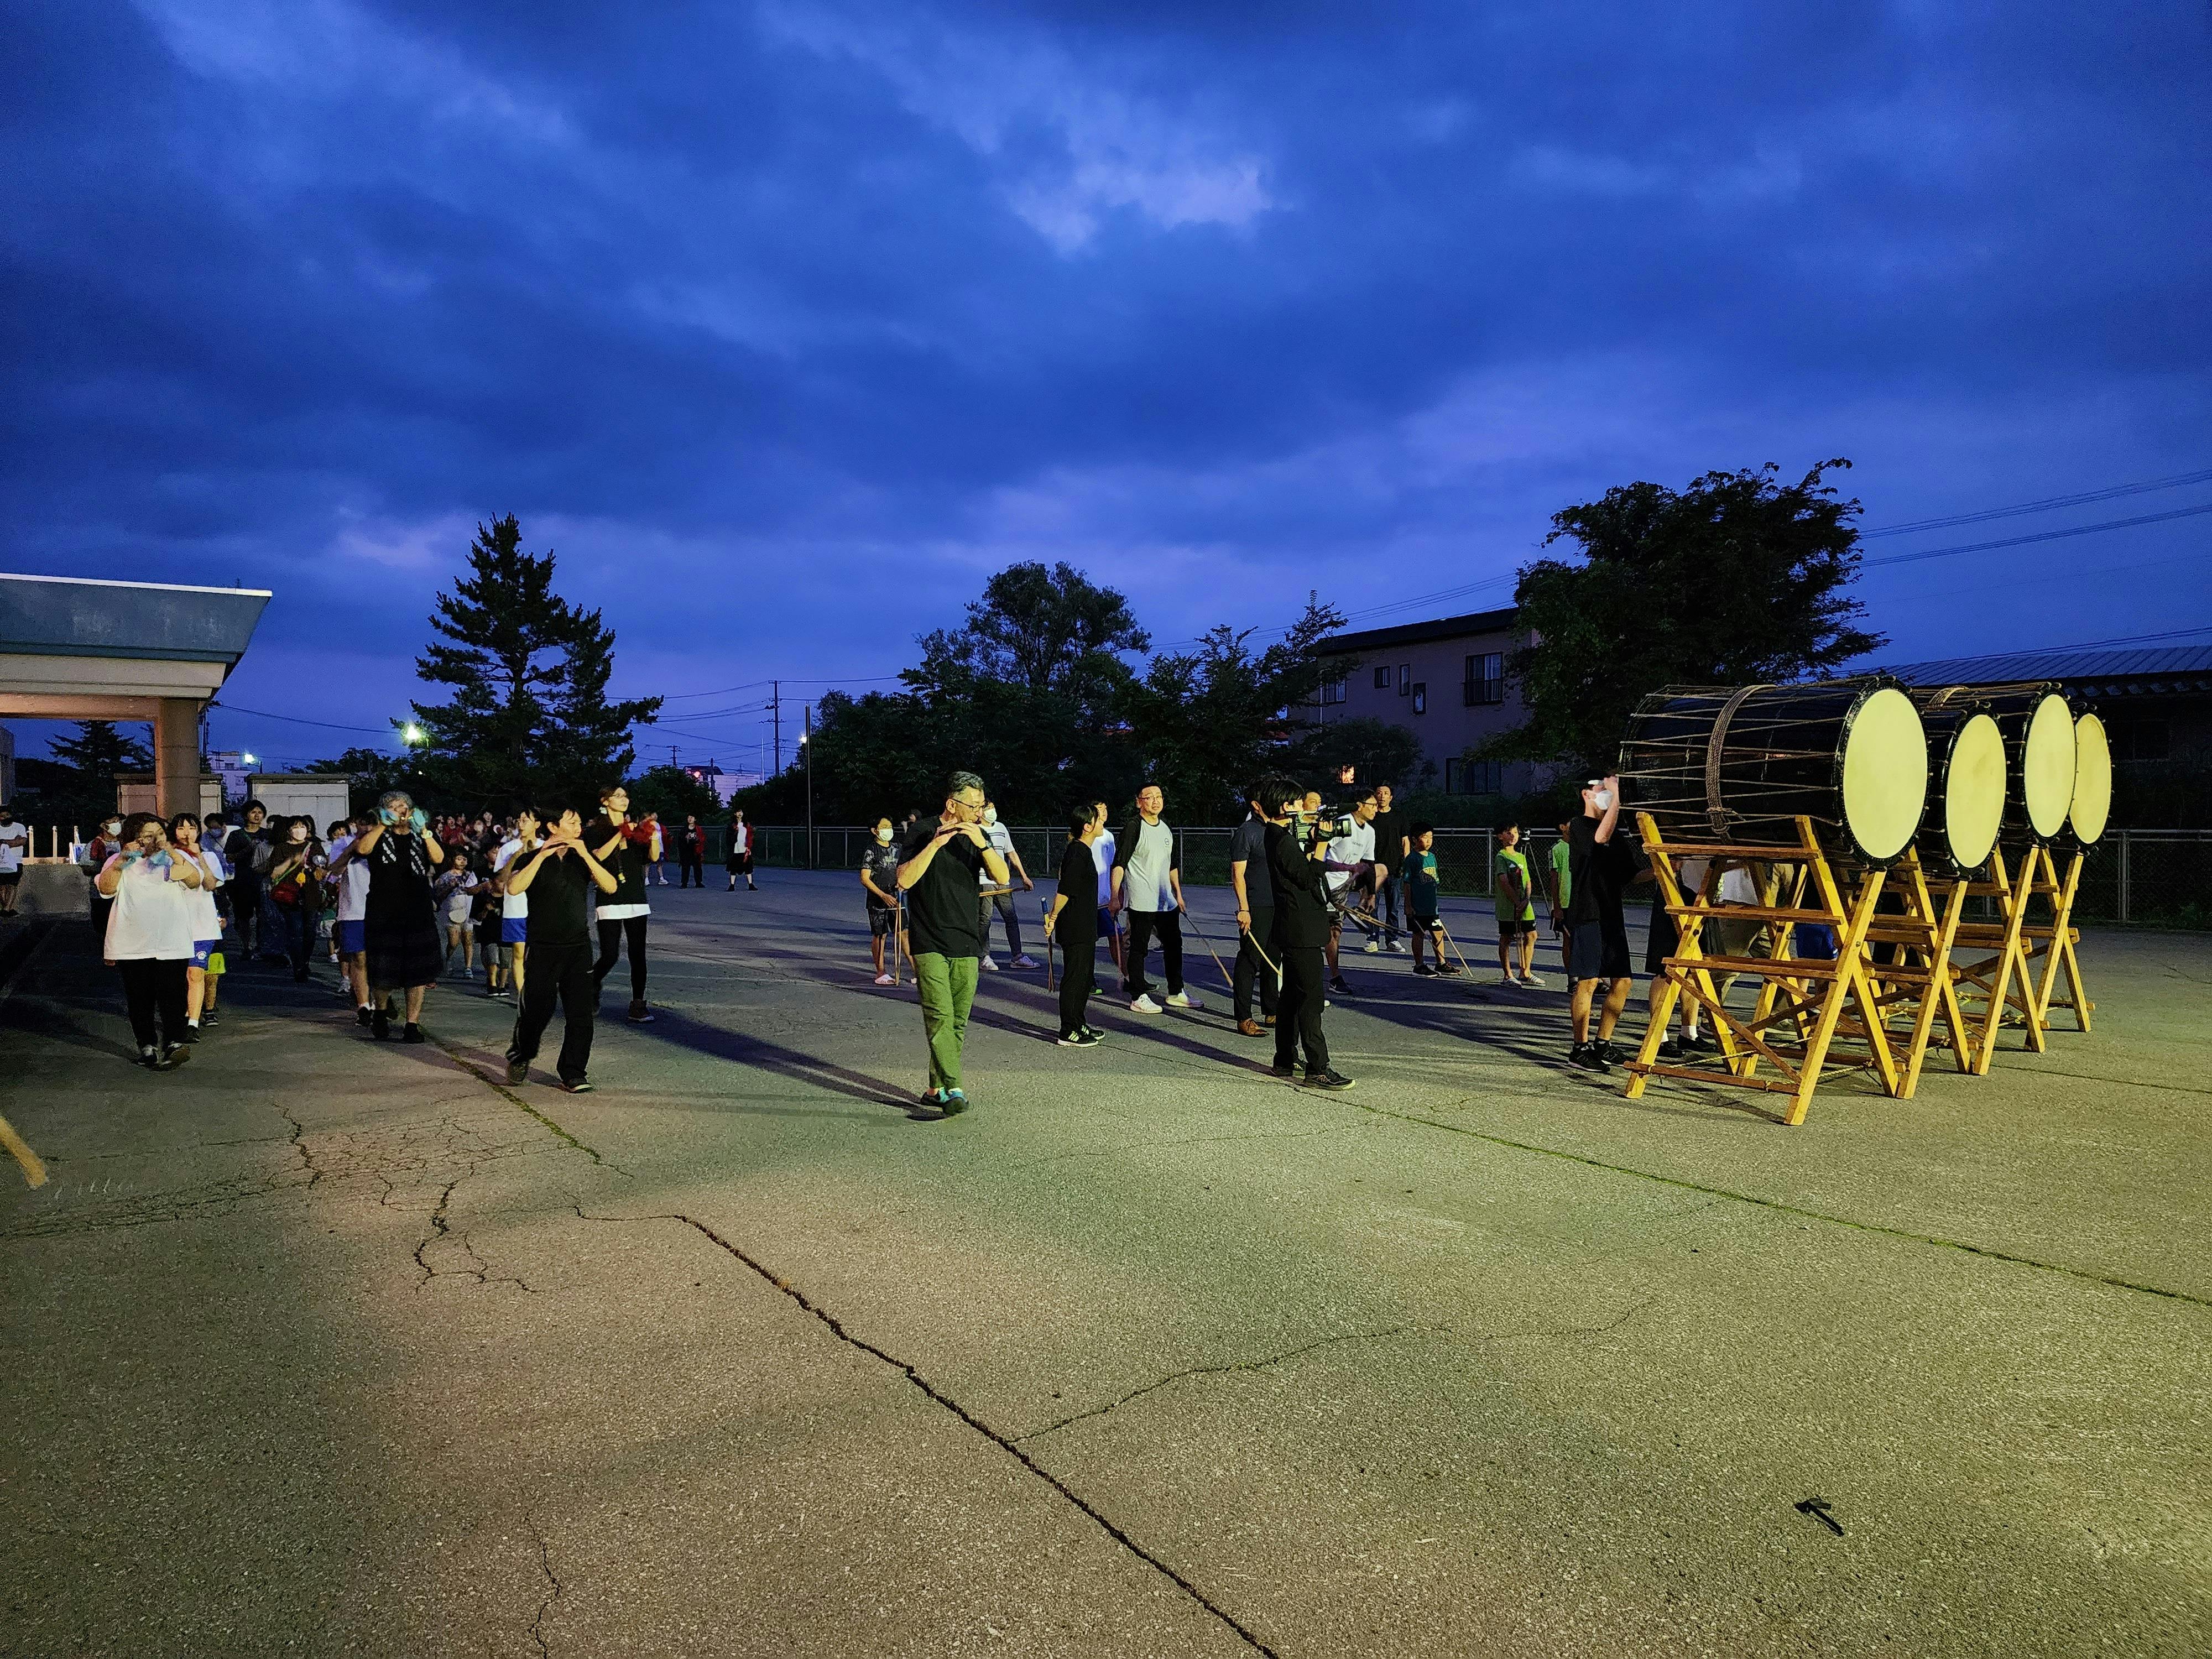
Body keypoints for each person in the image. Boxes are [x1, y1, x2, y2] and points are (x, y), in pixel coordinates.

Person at [895, 771, 1008, 1118]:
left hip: (966, 938)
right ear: (952, 804)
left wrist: (982, 844)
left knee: (958, 1020)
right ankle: (955, 1088)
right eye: (974, 806)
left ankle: (935, 1089)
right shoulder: (922, 831)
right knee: (940, 1016)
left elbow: (1002, 877)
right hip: (928, 937)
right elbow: (904, 880)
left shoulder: (978, 835)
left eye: (982, 806)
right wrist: (935, 844)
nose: (979, 812)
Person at [504, 803, 619, 1092]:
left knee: (581, 1014)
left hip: (578, 947)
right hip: (542, 947)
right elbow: (514, 888)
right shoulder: (531, 857)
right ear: (553, 827)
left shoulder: (582, 858)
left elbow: (610, 887)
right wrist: (542, 855)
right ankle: (521, 1055)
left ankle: (573, 1071)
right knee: (537, 1011)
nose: (579, 829)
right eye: (572, 824)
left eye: (579, 823)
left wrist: (585, 854)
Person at [95, 811, 203, 1068]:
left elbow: (194, 880)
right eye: (148, 835)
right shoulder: (118, 860)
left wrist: (173, 853)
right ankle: (147, 1046)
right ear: (134, 838)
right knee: (140, 997)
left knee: (173, 995)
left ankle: (174, 1043)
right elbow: (106, 889)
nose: (155, 839)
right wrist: (123, 858)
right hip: (132, 943)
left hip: (171, 940)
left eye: (160, 833)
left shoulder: (174, 858)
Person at [1265, 780, 1353, 1089]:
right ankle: (1318, 1067)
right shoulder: (1281, 840)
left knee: (1291, 995)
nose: (1304, 808)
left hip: (1296, 925)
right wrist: (1321, 845)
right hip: (1300, 928)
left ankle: (1284, 1059)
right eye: (1298, 803)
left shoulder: (1279, 835)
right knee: (1311, 1000)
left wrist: (1313, 841)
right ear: (1285, 806)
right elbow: (1306, 878)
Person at [354, 790, 446, 1041]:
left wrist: (424, 830)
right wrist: (383, 824)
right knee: (384, 970)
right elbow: (363, 849)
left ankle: (412, 1024)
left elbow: (439, 858)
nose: (401, 811)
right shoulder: (377, 833)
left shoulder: (420, 835)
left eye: (404, 806)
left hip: (418, 911)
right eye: (394, 807)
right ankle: (380, 1014)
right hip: (384, 912)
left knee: (418, 972)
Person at [1566, 775, 1638, 1072]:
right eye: (1602, 790)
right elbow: (1600, 838)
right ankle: (1579, 1048)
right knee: (1589, 981)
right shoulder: (1579, 826)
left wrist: (1666, 869)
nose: (1608, 794)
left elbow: (1631, 875)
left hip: (1611, 914)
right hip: (1588, 913)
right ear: (1587, 794)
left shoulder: (1615, 832)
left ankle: (1603, 1043)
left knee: (1623, 980)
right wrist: (1617, 797)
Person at [1112, 784, 1202, 1014]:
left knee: (1174, 945)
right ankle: (1138, 996)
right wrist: (1115, 896)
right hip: (1142, 900)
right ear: (1139, 802)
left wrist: (1178, 894)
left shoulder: (1165, 828)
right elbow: (1120, 864)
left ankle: (1176, 992)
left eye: (1159, 796)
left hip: (1166, 901)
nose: (1156, 801)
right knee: (1139, 948)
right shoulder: (1134, 827)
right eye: (1149, 797)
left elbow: (1171, 865)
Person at [589, 784, 659, 1023]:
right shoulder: (597, 829)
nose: (623, 799)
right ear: (605, 801)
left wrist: (653, 836)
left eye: (625, 796)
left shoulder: (637, 831)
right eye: (617, 796)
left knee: (638, 954)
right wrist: (621, 834)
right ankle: (591, 984)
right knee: (610, 955)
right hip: (609, 897)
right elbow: (598, 856)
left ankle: (638, 1003)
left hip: (635, 896)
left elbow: (652, 857)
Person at [1042, 805, 1105, 1047]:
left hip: (1086, 925)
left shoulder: (1084, 851)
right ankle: (1068, 1030)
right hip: (1074, 927)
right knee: (1074, 978)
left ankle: (1079, 1022)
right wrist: (1053, 918)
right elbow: (1065, 891)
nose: (1102, 822)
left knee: (1084, 978)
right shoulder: (1077, 852)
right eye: (1098, 820)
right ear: (1087, 827)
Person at [168, 812, 226, 1038]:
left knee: (195, 973)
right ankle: (180, 1015)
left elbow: (211, 885)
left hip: (202, 925)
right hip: (174, 925)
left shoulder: (209, 856)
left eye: (192, 828)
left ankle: (192, 1022)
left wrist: (199, 857)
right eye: (181, 828)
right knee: (177, 976)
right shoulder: (166, 856)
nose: (187, 833)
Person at [1228, 783, 1279, 1037]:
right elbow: (1238, 874)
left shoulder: (1278, 829)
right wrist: (1244, 908)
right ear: (1256, 805)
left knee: (1274, 958)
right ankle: (1244, 1017)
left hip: (1278, 903)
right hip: (1255, 904)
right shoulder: (1246, 832)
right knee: (1250, 959)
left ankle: (1272, 1010)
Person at [1322, 789, 1380, 997]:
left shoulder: (1370, 832)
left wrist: (1371, 894)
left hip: (1347, 882)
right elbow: (1320, 855)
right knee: (1330, 932)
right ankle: (1333, 977)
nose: (1376, 809)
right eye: (1372, 805)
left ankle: (1360, 909)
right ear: (1359, 806)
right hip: (1328, 881)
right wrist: (1348, 868)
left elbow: (1369, 864)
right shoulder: (1343, 824)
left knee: (1381, 870)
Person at [325, 811, 377, 1024]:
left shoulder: (386, 844)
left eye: (372, 824)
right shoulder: (343, 843)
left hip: (381, 910)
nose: (367, 828)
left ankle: (379, 1001)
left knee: (378, 958)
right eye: (362, 823)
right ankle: (363, 1005)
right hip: (353, 909)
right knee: (359, 957)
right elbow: (334, 871)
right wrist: (353, 848)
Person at [974, 801, 1037, 971]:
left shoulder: (1001, 828)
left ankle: (1018, 956)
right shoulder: (976, 830)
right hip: (984, 881)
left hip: (1002, 881)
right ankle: (984, 957)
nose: (992, 811)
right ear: (980, 812)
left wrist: (1024, 877)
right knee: (985, 919)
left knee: (1011, 918)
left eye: (993, 808)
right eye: (988, 809)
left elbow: (1011, 853)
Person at [263, 817, 326, 983]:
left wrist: (319, 870)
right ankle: (298, 966)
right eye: (296, 827)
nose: (299, 830)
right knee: (295, 931)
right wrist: (291, 861)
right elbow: (273, 873)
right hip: (289, 895)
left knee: (310, 932)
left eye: (302, 827)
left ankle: (305, 961)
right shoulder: (281, 848)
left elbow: (322, 870)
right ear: (289, 830)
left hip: (310, 894)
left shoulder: (314, 847)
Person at [493, 809, 541, 1005]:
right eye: (519, 820)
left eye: (526, 820)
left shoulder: (545, 847)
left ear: (537, 824)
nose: (521, 824)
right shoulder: (508, 848)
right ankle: (522, 998)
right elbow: (499, 881)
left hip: (540, 907)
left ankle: (537, 991)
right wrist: (517, 855)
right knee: (519, 953)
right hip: (516, 906)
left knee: (538, 953)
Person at [1403, 824, 1461, 977]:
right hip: (1418, 906)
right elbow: (1407, 883)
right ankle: (1419, 965)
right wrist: (1408, 905)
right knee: (1419, 934)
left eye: (1431, 837)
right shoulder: (1412, 859)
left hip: (1431, 906)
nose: (1429, 841)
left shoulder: (1432, 857)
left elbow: (1435, 881)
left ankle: (1441, 963)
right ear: (1415, 839)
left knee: (1438, 932)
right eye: (1425, 837)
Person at [1494, 822, 1544, 987]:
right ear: (1500, 836)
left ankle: (1526, 972)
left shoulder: (1521, 857)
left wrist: (1526, 900)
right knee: (1507, 937)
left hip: (1524, 905)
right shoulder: (1501, 857)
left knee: (1531, 935)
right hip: (1508, 906)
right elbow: (1504, 882)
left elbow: (1528, 880)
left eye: (1515, 833)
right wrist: (1516, 902)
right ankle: (1508, 975)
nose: (1513, 836)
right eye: (1508, 833)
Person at [222, 801, 268, 962]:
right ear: (245, 815)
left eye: (260, 812)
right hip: (243, 881)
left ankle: (262, 946)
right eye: (253, 812)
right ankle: (246, 946)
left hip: (263, 881)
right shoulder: (237, 835)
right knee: (243, 917)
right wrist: (247, 849)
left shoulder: (267, 835)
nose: (257, 816)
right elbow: (229, 858)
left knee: (264, 916)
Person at [860, 816, 903, 985]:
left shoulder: (898, 848)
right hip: (878, 899)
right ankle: (881, 972)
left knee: (904, 932)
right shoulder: (871, 851)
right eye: (884, 827)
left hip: (897, 896)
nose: (888, 830)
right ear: (875, 830)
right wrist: (882, 895)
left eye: (890, 826)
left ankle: (916, 970)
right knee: (881, 935)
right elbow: (865, 878)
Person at [1366, 783, 1405, 954]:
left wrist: (1406, 863)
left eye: (1386, 793)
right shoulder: (1371, 816)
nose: (1382, 796)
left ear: (1391, 797)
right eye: (1379, 793)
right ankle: (1373, 939)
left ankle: (1392, 939)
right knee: (1372, 904)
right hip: (1373, 868)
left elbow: (1405, 842)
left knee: (1393, 907)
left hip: (1395, 868)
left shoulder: (1399, 817)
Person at [1089, 799, 1123, 991]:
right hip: (1088, 900)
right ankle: (1088, 979)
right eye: (1100, 809)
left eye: (1106, 808)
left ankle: (1128, 977)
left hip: (1106, 899)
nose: (1104, 812)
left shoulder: (1108, 836)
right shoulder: (1085, 835)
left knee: (1116, 938)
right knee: (1088, 942)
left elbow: (1114, 867)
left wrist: (1117, 894)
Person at [436, 847, 481, 977]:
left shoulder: (471, 875)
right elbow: (438, 896)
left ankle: (468, 968)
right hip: (451, 912)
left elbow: (475, 890)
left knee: (468, 940)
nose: (462, 862)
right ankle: (449, 959)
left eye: (464, 859)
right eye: (459, 859)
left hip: (468, 911)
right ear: (452, 860)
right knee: (454, 941)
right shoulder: (445, 877)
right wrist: (450, 887)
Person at [82, 812, 126, 940]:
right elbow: (86, 868)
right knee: (102, 926)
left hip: (121, 893)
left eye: (118, 821)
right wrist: (106, 866)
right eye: (114, 821)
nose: (117, 824)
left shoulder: (125, 844)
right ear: (103, 825)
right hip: (99, 893)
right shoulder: (94, 845)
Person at [1543, 819, 1574, 977]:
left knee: (1584, 939)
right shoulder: (1557, 849)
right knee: (1568, 939)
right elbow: (1554, 880)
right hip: (1566, 901)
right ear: (1562, 827)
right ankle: (1571, 976)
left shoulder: (1582, 846)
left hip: (1582, 902)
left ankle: (1588, 976)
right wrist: (1557, 907)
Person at [0, 800, 27, 916]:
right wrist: (12, 841)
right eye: (3, 816)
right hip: (1, 861)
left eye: (8, 815)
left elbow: (21, 841)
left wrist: (4, 841)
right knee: (2, 886)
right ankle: (7, 909)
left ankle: (6, 909)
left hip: (15, 861)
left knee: (12, 885)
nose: (6, 818)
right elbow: (16, 842)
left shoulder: (19, 827)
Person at [726, 810, 755, 891]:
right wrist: (735, 832)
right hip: (735, 850)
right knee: (733, 869)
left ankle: (751, 885)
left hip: (745, 849)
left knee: (748, 868)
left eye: (741, 812)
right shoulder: (732, 826)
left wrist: (749, 847)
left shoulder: (746, 825)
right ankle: (732, 885)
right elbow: (728, 838)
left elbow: (750, 836)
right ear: (735, 814)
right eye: (738, 812)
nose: (740, 813)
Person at [677, 815, 707, 888]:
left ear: (695, 819)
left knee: (698, 867)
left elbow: (702, 838)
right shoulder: (684, 830)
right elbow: (680, 840)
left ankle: (698, 882)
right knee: (685, 867)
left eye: (692, 818)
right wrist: (686, 839)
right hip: (686, 850)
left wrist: (698, 840)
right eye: (689, 818)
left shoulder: (698, 829)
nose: (690, 819)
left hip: (696, 851)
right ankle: (684, 883)